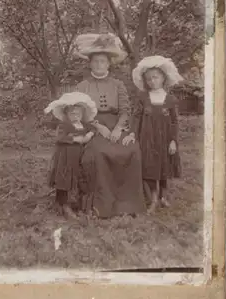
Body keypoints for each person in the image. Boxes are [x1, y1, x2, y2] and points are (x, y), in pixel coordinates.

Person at [74, 33, 147, 219]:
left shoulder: (118, 85)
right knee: (99, 153)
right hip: (93, 126)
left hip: (117, 124)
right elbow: (81, 113)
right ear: (90, 63)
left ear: (109, 64)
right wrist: (99, 127)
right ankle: (102, 206)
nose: (99, 65)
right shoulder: (83, 86)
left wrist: (117, 128)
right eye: (96, 61)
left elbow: (125, 110)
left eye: (103, 62)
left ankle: (129, 204)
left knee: (131, 150)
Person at [123, 55, 183, 214]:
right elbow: (136, 117)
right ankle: (153, 197)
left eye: (155, 77)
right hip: (147, 138)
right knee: (149, 166)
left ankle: (163, 195)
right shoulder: (143, 97)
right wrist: (132, 134)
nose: (152, 81)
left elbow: (174, 122)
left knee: (164, 165)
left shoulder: (170, 99)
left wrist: (173, 141)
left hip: (164, 139)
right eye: (148, 79)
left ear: (163, 78)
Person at [44, 92, 97, 218]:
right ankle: (63, 204)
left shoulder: (84, 125)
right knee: (64, 179)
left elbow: (93, 129)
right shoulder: (65, 125)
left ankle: (79, 205)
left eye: (78, 113)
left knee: (79, 179)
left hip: (78, 156)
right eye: (72, 113)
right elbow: (60, 137)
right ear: (66, 114)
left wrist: (90, 134)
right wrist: (74, 139)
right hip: (65, 156)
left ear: (82, 114)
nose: (75, 116)